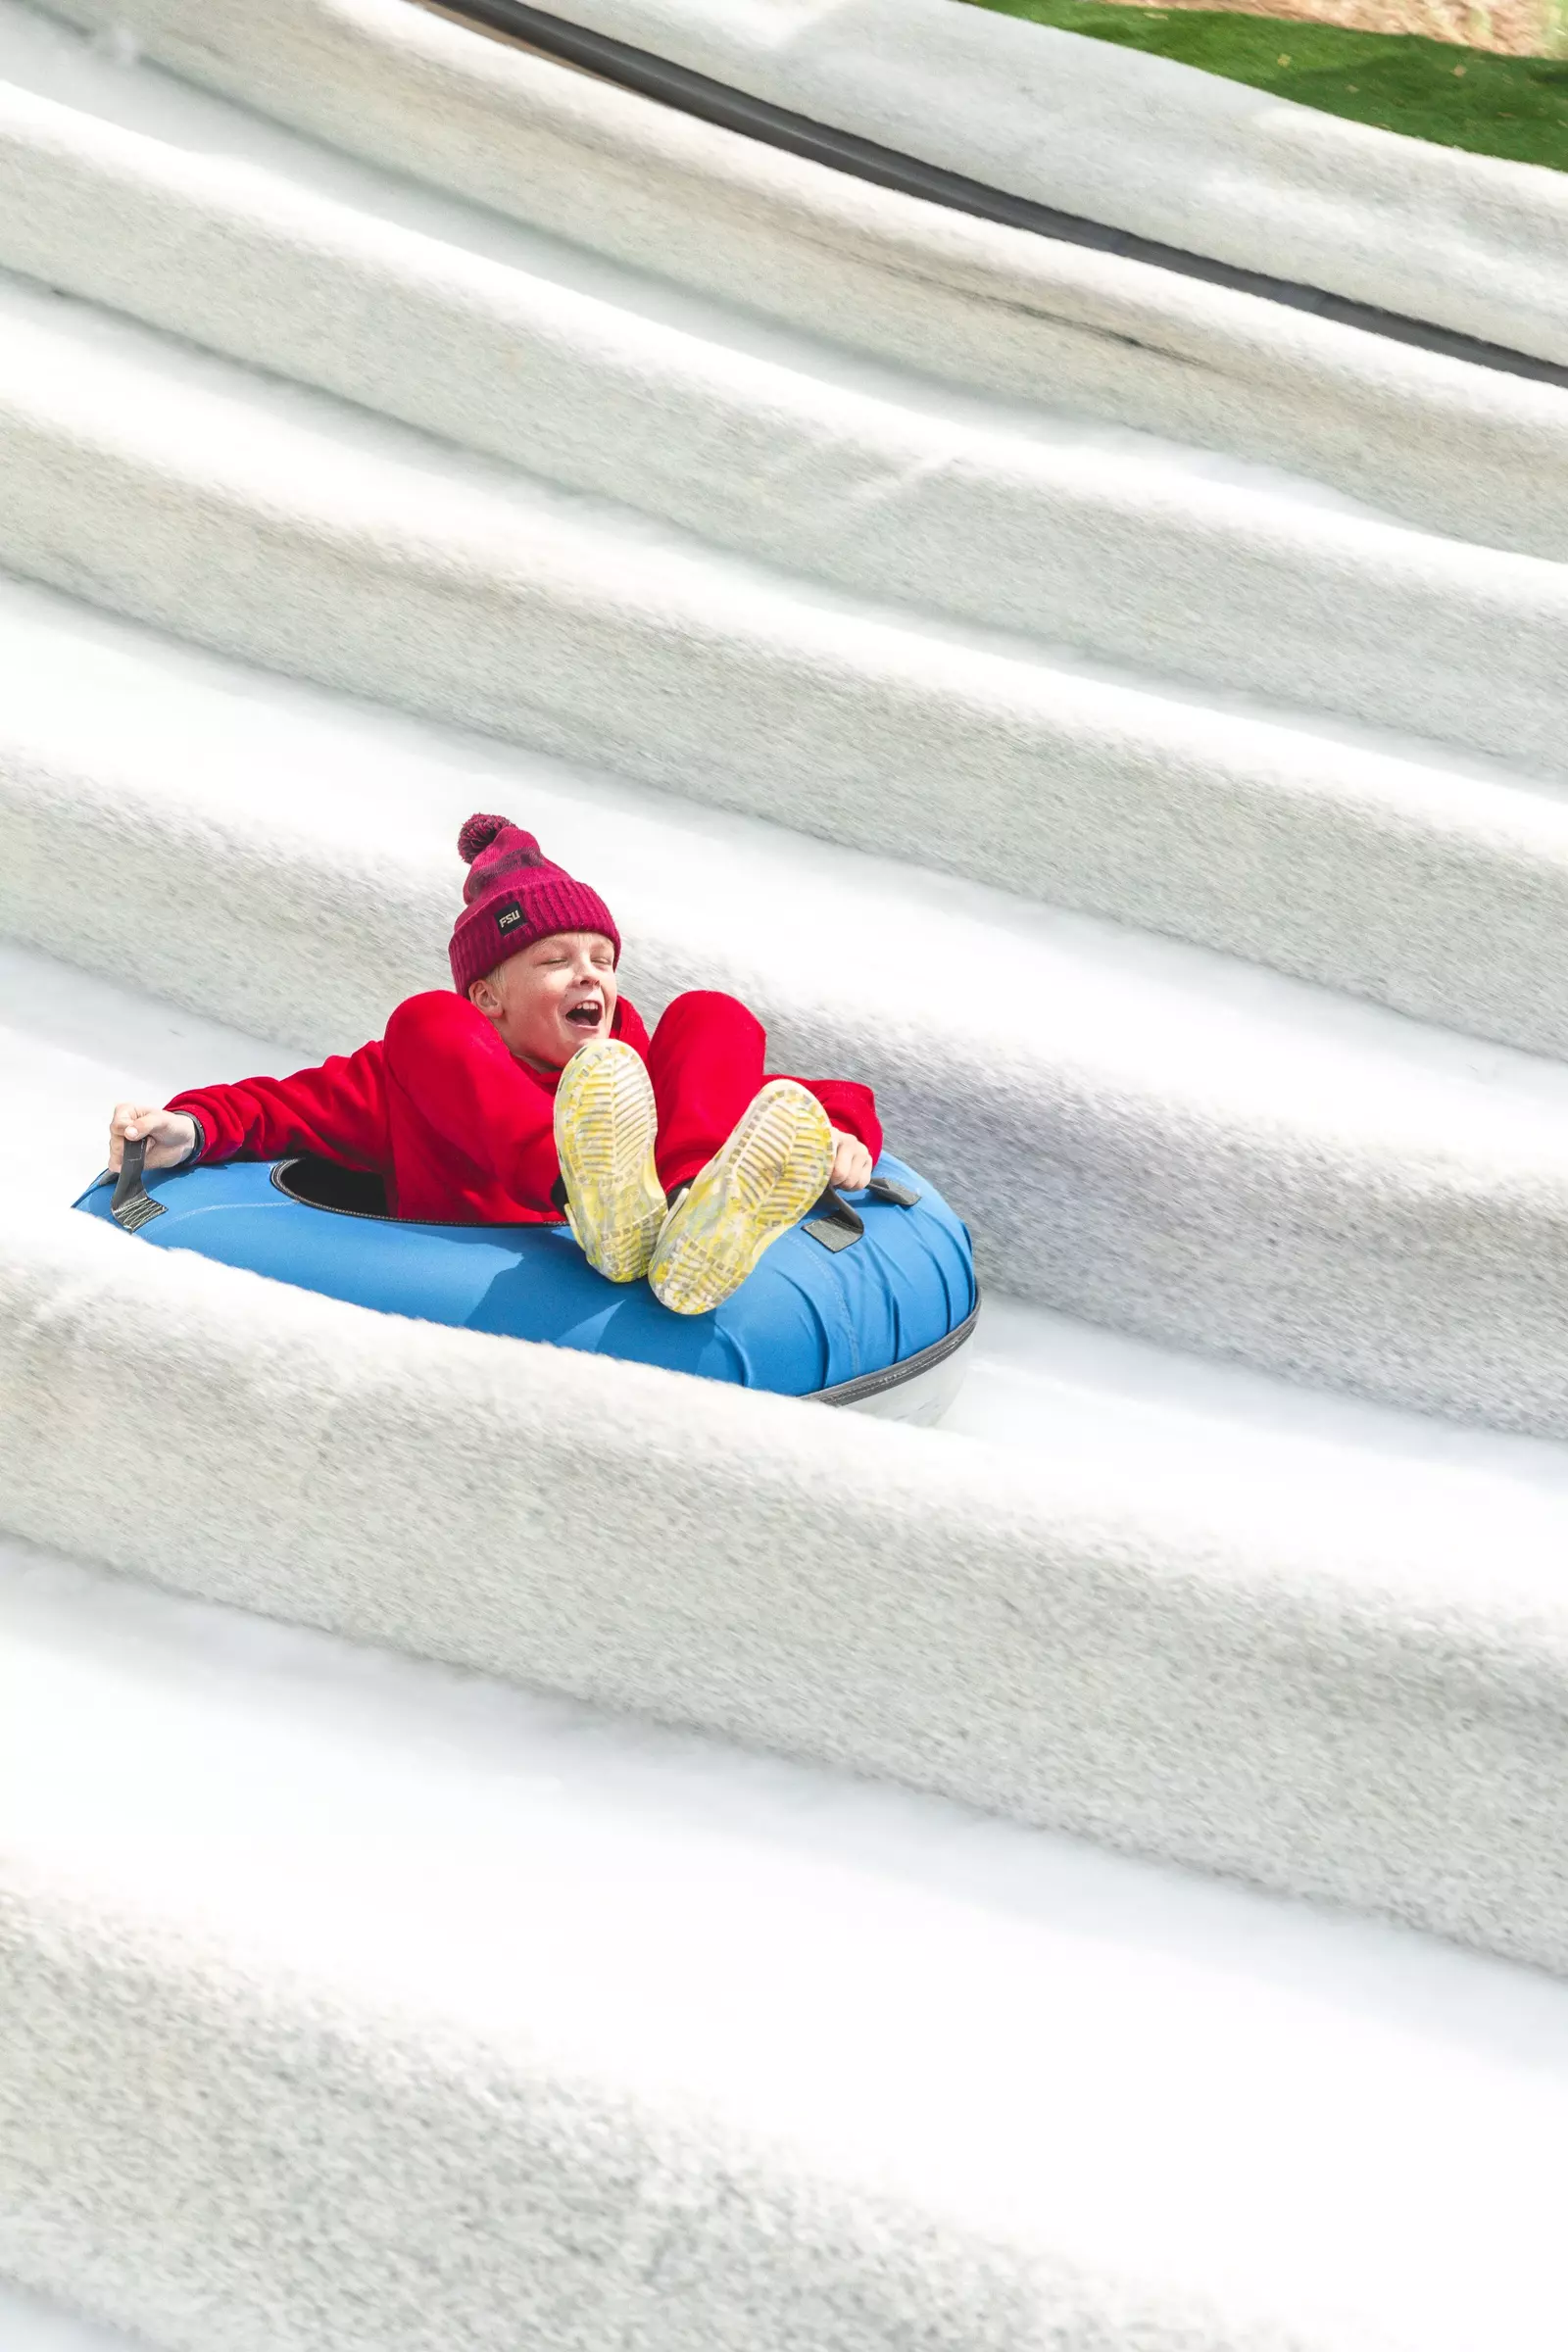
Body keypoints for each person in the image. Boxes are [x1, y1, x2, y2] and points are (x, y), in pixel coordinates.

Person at [106, 814, 881, 1317]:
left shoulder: (639, 1057)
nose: (590, 977)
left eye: (602, 960)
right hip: (481, 1279)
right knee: (420, 1019)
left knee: (714, 1014)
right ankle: (583, 1186)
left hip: (664, 1248)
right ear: (489, 996)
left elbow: (796, 1105)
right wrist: (187, 1126)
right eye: (555, 960)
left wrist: (839, 1134)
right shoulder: (421, 1068)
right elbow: (283, 1106)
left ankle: (690, 1211)